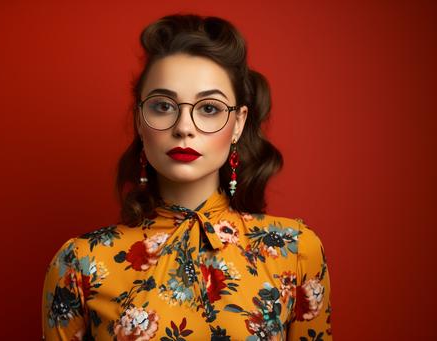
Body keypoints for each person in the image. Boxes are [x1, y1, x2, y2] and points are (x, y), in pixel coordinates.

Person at [42, 14, 332, 341]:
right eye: (163, 106)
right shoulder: (81, 263)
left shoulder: (295, 251)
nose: (184, 126)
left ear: (238, 123)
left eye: (209, 108)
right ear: (139, 119)